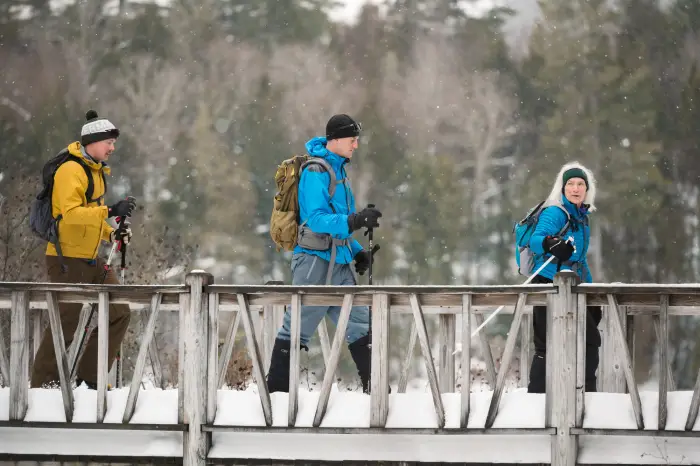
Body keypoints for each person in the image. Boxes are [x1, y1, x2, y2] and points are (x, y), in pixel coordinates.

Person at [266, 114, 382, 394]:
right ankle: (275, 401)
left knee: (361, 325)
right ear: (336, 139)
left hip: (339, 263)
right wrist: (355, 221)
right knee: (296, 329)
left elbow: (339, 222)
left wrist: (356, 252)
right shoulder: (316, 171)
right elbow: (316, 219)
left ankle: (376, 397)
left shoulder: (339, 171)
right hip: (313, 262)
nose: (356, 145)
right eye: (352, 140)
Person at [31, 110, 137, 390]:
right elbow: (70, 214)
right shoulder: (71, 171)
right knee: (65, 323)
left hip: (92, 259)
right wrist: (111, 209)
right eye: (109, 142)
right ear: (93, 141)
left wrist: (112, 232)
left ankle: (90, 380)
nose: (112, 148)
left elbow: (91, 216)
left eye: (114, 143)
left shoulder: (96, 172)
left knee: (120, 312)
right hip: (66, 259)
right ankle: (43, 388)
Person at [527, 161, 602, 393]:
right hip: (547, 283)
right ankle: (536, 399)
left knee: (588, 342)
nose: (576, 188)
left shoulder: (582, 219)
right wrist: (551, 243)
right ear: (562, 188)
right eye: (570, 184)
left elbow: (579, 261)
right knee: (546, 345)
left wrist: (590, 290)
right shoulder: (555, 212)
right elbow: (535, 241)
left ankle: (583, 396)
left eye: (581, 184)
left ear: (588, 189)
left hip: (573, 285)